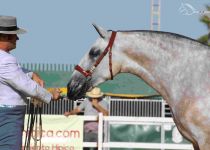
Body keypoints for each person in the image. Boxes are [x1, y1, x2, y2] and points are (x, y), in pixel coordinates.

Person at [0, 15, 61, 150]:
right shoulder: (6, 60)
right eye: (14, 35)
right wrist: (49, 95)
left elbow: (16, 73)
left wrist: (32, 74)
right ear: (5, 36)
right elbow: (28, 87)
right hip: (8, 114)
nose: (17, 38)